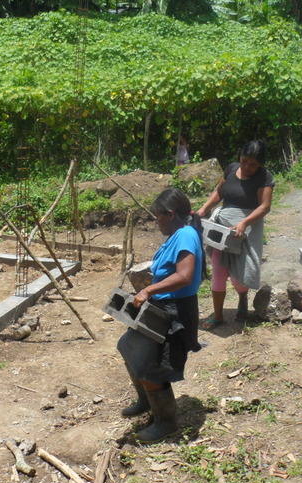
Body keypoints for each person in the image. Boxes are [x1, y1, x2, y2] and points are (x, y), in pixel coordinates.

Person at [116, 188, 204, 443]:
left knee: (151, 366)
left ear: (171, 213)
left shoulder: (186, 234)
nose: (156, 222)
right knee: (128, 348)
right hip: (161, 307)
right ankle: (146, 401)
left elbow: (184, 275)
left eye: (158, 217)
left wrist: (149, 289)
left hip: (174, 311)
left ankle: (166, 422)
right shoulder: (177, 235)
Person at [196, 140, 274, 329]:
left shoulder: (265, 177)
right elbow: (219, 191)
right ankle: (218, 315)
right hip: (221, 231)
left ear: (261, 164)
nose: (247, 166)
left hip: (246, 230)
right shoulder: (231, 169)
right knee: (218, 270)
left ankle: (242, 296)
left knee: (240, 274)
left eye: (253, 164)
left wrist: (244, 222)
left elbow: (265, 206)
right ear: (240, 156)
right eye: (244, 160)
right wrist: (205, 208)